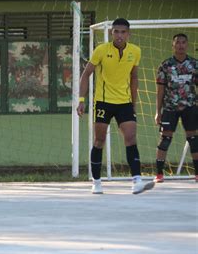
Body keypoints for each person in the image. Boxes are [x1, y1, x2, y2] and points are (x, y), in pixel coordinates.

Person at [77, 18, 155, 195]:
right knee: (99, 140)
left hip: (125, 102)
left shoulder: (135, 51)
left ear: (129, 33)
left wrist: (133, 103)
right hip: (103, 101)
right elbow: (86, 74)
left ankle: (137, 180)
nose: (119, 35)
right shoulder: (101, 50)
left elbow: (134, 77)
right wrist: (81, 100)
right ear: (112, 33)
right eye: (116, 32)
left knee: (131, 137)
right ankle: (96, 182)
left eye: (123, 32)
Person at [154, 33, 197, 183]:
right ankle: (159, 173)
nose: (180, 45)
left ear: (187, 44)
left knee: (193, 138)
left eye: (183, 42)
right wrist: (157, 112)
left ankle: (197, 173)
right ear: (173, 45)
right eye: (177, 42)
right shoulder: (165, 65)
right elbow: (160, 91)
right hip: (170, 107)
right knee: (165, 139)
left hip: (190, 106)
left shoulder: (194, 64)